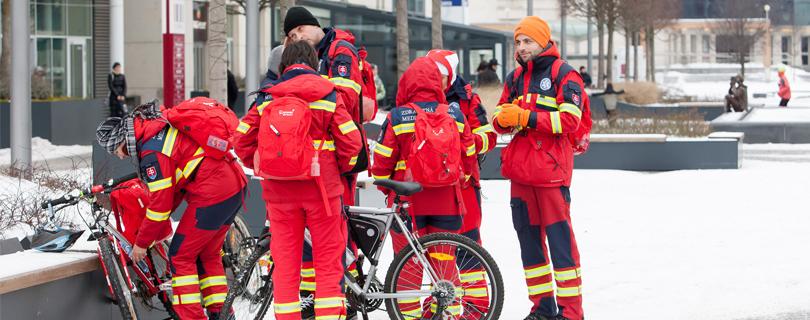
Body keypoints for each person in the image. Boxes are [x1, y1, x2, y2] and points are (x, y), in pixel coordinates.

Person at [233, 41, 363, 320]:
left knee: (286, 266)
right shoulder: (329, 95)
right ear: (315, 64)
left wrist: (263, 165)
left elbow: (241, 140)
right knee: (328, 264)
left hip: (279, 194)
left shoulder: (267, 97)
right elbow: (352, 143)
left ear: (283, 67)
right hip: (322, 193)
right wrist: (337, 169)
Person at [95, 102, 247, 320]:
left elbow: (160, 205)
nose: (119, 156)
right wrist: (152, 233)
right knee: (207, 254)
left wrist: (141, 243)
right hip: (232, 185)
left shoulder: (150, 153)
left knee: (180, 256)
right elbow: (172, 195)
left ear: (121, 141)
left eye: (115, 150)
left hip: (213, 192)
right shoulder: (156, 129)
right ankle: (221, 315)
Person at [493, 16, 587, 320]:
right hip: (521, 176)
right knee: (531, 251)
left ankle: (571, 314)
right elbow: (498, 119)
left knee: (561, 249)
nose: (521, 47)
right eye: (518, 42)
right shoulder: (513, 78)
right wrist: (502, 119)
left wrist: (525, 118)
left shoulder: (565, 75)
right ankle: (542, 309)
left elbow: (570, 121)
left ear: (543, 41)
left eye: (527, 41)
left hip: (551, 175)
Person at [371, 55, 477, 319]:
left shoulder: (397, 116)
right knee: (444, 263)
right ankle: (449, 313)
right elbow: (470, 153)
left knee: (408, 266)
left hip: (409, 202)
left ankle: (409, 316)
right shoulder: (454, 113)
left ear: (407, 84)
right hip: (447, 201)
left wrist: (389, 189)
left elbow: (382, 162)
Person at [283, 7, 372, 314]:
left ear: (312, 26)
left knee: (336, 230)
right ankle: (320, 293)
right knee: (326, 230)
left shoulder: (339, 50)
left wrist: (308, 92)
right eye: (292, 37)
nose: (297, 39)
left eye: (299, 33)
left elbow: (344, 100)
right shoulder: (322, 53)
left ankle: (340, 295)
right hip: (326, 154)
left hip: (340, 155)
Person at [427, 49, 498, 316]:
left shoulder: (467, 98)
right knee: (435, 249)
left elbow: (488, 137)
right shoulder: (422, 96)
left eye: (441, 74)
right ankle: (439, 307)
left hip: (464, 184)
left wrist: (461, 140)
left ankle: (476, 307)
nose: (437, 80)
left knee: (468, 246)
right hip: (434, 185)